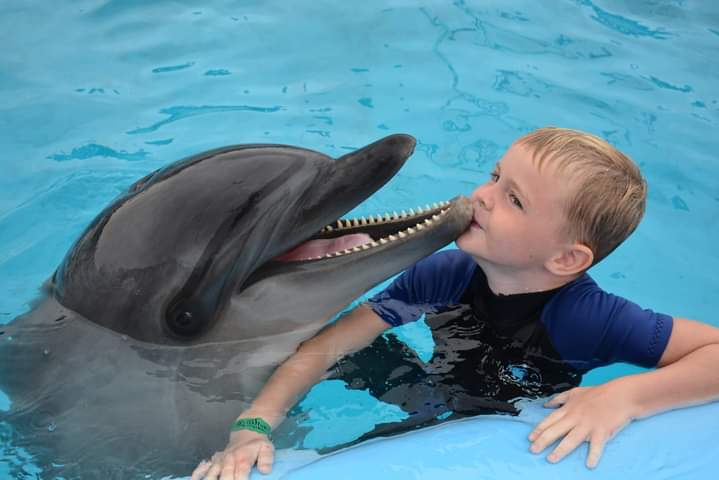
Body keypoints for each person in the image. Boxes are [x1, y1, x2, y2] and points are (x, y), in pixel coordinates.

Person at [191, 127, 719, 480]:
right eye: (494, 177)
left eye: (513, 199)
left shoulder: (588, 318)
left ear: (565, 259)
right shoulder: (444, 272)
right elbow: (326, 346)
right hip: (431, 392)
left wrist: (625, 396)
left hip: (508, 422)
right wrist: (255, 422)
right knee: (345, 354)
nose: (482, 195)